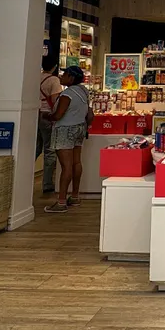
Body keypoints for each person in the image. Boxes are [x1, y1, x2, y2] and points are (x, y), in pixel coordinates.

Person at [44, 66, 93, 213]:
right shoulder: (84, 91)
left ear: (71, 77)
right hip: (79, 127)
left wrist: (47, 116)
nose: (61, 76)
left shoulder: (67, 94)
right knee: (76, 163)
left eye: (64, 74)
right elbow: (90, 114)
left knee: (66, 167)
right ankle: (75, 195)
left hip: (65, 129)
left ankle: (61, 201)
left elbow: (58, 115)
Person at [36, 56, 63, 194]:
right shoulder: (54, 80)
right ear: (54, 66)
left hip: (34, 115)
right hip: (47, 116)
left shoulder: (36, 77)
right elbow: (55, 100)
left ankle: (23, 177)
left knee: (35, 148)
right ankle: (47, 183)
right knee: (50, 150)